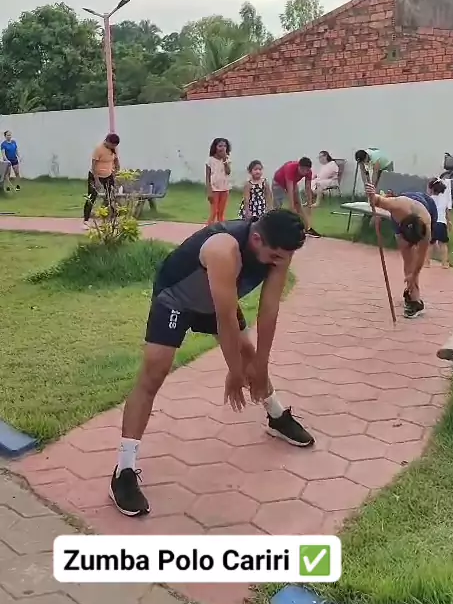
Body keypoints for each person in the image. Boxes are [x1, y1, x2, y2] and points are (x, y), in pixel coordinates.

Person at [109, 209, 315, 516]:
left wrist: (260, 365)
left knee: (249, 353)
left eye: (284, 258)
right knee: (154, 372)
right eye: (274, 257)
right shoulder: (223, 248)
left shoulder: (279, 252)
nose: (278, 263)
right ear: (256, 239)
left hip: (219, 300)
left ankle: (276, 415)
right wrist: (234, 371)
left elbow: (269, 311)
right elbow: (225, 319)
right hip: (177, 299)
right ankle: (124, 470)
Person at [364, 181, 437, 319]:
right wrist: (371, 193)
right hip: (403, 210)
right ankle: (413, 297)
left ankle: (414, 297)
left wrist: (414, 275)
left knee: (415, 264)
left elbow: (421, 256)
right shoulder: (397, 205)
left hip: (427, 205)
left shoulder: (426, 229)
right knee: (408, 259)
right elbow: (376, 200)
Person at [272, 157, 321, 238]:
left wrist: (309, 204)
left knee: (298, 205)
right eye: (302, 169)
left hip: (293, 182)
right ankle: (273, 228)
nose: (304, 172)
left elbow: (308, 188)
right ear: (299, 166)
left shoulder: (308, 172)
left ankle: (307, 228)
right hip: (279, 182)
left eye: (306, 170)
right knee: (277, 206)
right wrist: (291, 207)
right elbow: (290, 188)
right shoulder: (290, 167)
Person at [83, 133, 120, 228]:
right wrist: (96, 180)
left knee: (111, 197)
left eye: (115, 146)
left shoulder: (114, 149)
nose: (113, 147)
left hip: (108, 175)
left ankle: (111, 219)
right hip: (95, 175)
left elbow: (116, 160)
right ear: (107, 141)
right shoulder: (99, 149)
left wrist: (116, 171)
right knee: (92, 197)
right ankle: (86, 221)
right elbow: (93, 165)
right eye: (112, 145)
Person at [426, 177, 452, 268]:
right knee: (443, 244)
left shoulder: (429, 199)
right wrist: (449, 222)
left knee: (430, 244)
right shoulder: (444, 200)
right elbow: (447, 212)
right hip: (442, 223)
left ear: (431, 189)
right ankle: (444, 263)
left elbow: (427, 212)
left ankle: (427, 262)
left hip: (433, 223)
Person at [206, 138, 231, 224]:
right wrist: (209, 191)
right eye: (220, 146)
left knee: (221, 212)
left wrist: (224, 160)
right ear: (215, 147)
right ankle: (209, 229)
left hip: (225, 189)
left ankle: (221, 228)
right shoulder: (210, 160)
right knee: (214, 212)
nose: (222, 148)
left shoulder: (227, 159)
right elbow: (207, 177)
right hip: (214, 189)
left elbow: (228, 172)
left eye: (224, 146)